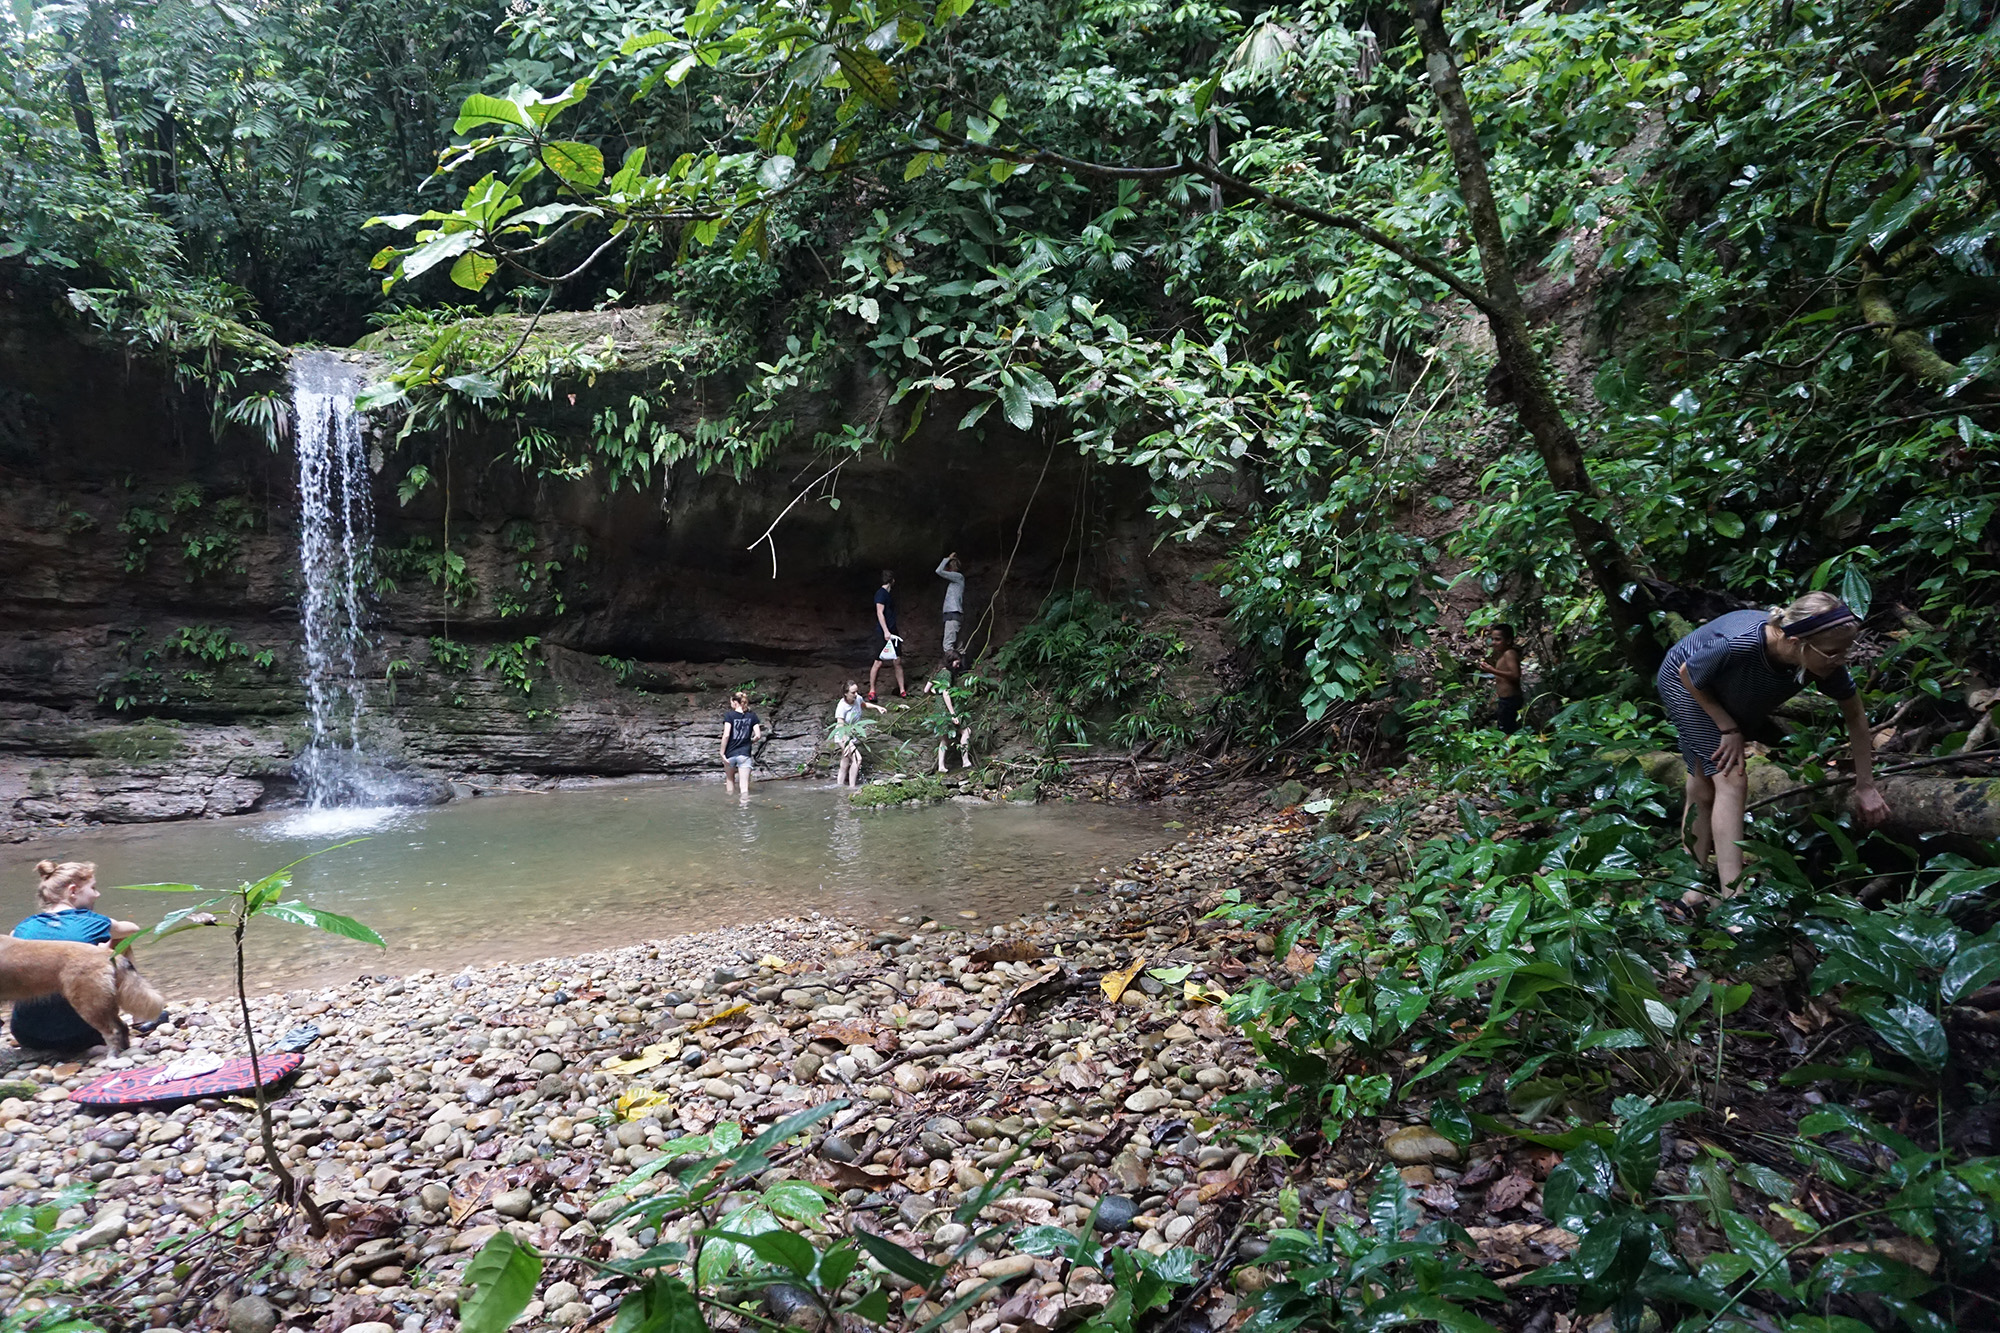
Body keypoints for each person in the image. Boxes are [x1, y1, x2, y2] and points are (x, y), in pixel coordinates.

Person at [1657, 591, 1890, 891]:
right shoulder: (1742, 644)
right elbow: (1688, 674)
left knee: (1702, 782)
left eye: (1847, 651)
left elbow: (1855, 715)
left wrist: (1866, 786)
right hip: (1687, 686)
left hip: (1729, 693)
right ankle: (1733, 895)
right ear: (1795, 642)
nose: (1841, 660)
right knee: (1732, 778)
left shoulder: (1823, 662)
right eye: (1834, 652)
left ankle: (1690, 888)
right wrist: (1728, 730)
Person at [10, 859, 141, 1053]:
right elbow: (133, 929)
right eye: (93, 888)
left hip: (27, 1036)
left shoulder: (22, 928)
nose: (97, 894)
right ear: (72, 891)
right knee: (121, 941)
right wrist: (100, 949)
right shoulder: (92, 922)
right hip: (83, 1034)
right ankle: (140, 1016)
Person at [1468, 624, 1524, 733]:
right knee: (1505, 728)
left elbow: (1515, 675)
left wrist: (1492, 670)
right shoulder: (1503, 654)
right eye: (1492, 639)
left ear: (1508, 641)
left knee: (1507, 731)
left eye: (1498, 639)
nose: (1493, 642)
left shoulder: (1509, 653)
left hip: (1510, 700)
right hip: (1506, 699)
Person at [924, 654, 975, 773]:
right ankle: (965, 761)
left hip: (938, 708)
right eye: (956, 663)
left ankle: (941, 766)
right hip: (946, 708)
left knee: (944, 738)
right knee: (966, 731)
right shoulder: (947, 673)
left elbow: (926, 690)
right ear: (950, 661)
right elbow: (946, 693)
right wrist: (953, 714)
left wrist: (936, 694)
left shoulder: (937, 671)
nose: (957, 666)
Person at [831, 682, 887, 788]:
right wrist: (846, 744)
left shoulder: (857, 698)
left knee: (845, 760)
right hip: (842, 735)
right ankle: (852, 787)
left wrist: (877, 707)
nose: (856, 694)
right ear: (845, 693)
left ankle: (839, 786)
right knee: (857, 759)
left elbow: (864, 704)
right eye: (853, 692)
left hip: (852, 734)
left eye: (856, 691)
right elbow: (840, 726)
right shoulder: (842, 706)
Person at [868, 570, 906, 701]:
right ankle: (872, 691)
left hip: (893, 631)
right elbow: (879, 612)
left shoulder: (888, 595)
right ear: (892, 581)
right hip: (883, 632)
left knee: (897, 661)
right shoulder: (881, 594)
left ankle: (902, 690)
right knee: (878, 662)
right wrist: (885, 631)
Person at [718, 691, 765, 795]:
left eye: (731, 702)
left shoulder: (729, 715)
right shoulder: (752, 716)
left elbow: (726, 735)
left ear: (735, 702)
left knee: (730, 780)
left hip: (730, 753)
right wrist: (749, 742)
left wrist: (722, 753)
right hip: (744, 754)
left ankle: (730, 801)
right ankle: (744, 804)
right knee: (744, 788)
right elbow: (758, 735)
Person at [936, 553, 967, 655]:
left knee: (948, 645)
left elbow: (939, 571)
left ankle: (950, 664)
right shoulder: (955, 582)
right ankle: (962, 664)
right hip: (955, 615)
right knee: (959, 647)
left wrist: (948, 558)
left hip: (953, 614)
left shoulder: (958, 577)